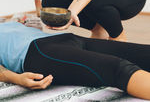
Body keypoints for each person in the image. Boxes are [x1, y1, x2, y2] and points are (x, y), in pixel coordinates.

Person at [1, 22, 150, 100]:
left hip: (67, 38)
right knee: (117, 69)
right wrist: (16, 78)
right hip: (37, 53)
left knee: (142, 53)